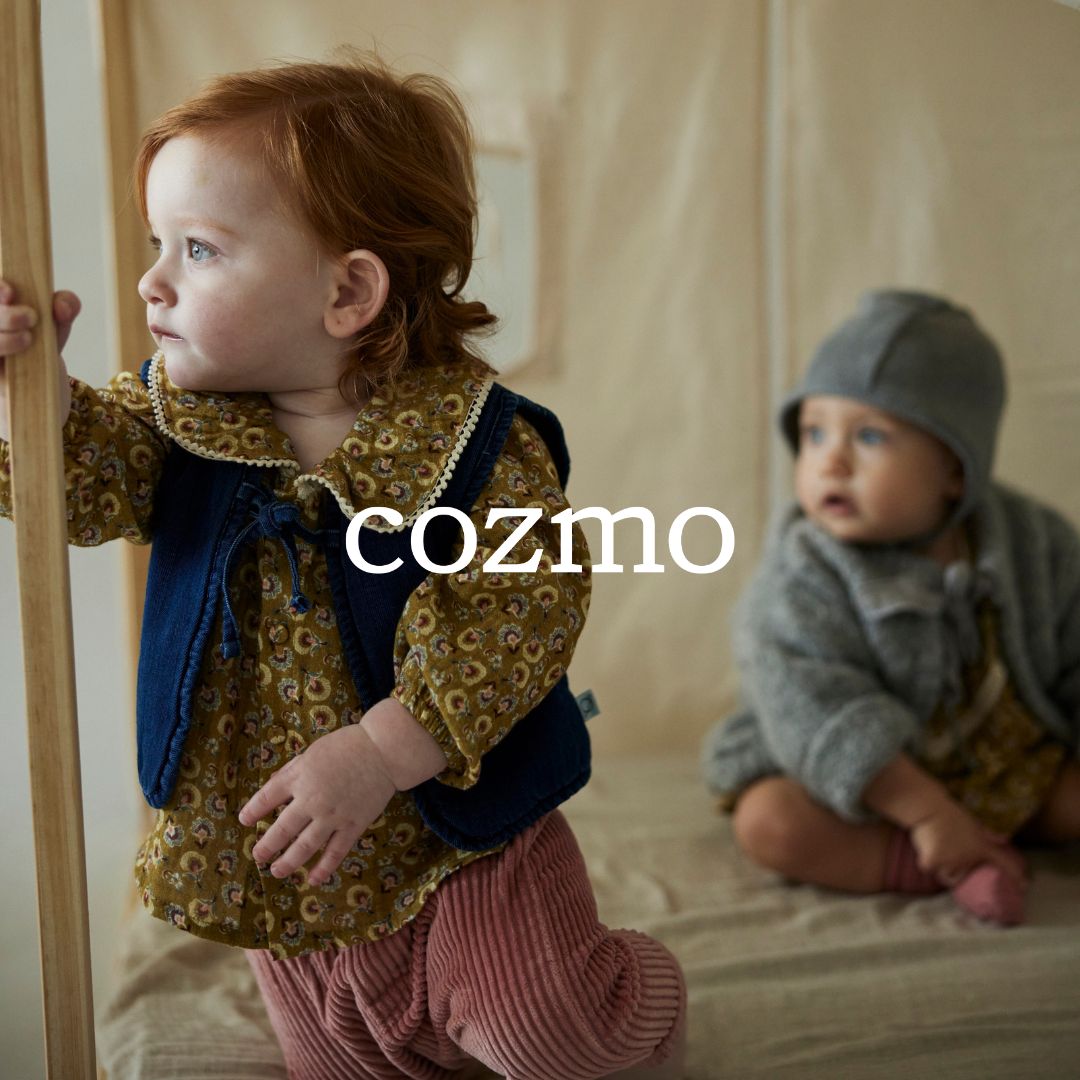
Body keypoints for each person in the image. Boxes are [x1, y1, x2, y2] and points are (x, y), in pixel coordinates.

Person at [0, 54, 685, 1079]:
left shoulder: (472, 445)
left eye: (199, 248)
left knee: (541, 1030)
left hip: (458, 833)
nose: (151, 282)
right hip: (283, 848)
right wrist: (36, 391)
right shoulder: (179, 421)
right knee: (347, 1064)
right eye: (156, 244)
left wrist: (382, 750)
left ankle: (645, 1006)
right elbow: (79, 482)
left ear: (349, 291)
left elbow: (523, 603)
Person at [702, 289, 1080, 927]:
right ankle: (930, 863)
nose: (832, 461)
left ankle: (987, 834)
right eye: (814, 432)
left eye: (870, 436)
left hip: (1006, 766)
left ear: (954, 469)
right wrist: (928, 813)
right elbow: (815, 708)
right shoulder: (800, 572)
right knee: (770, 823)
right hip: (860, 783)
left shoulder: (1035, 544)